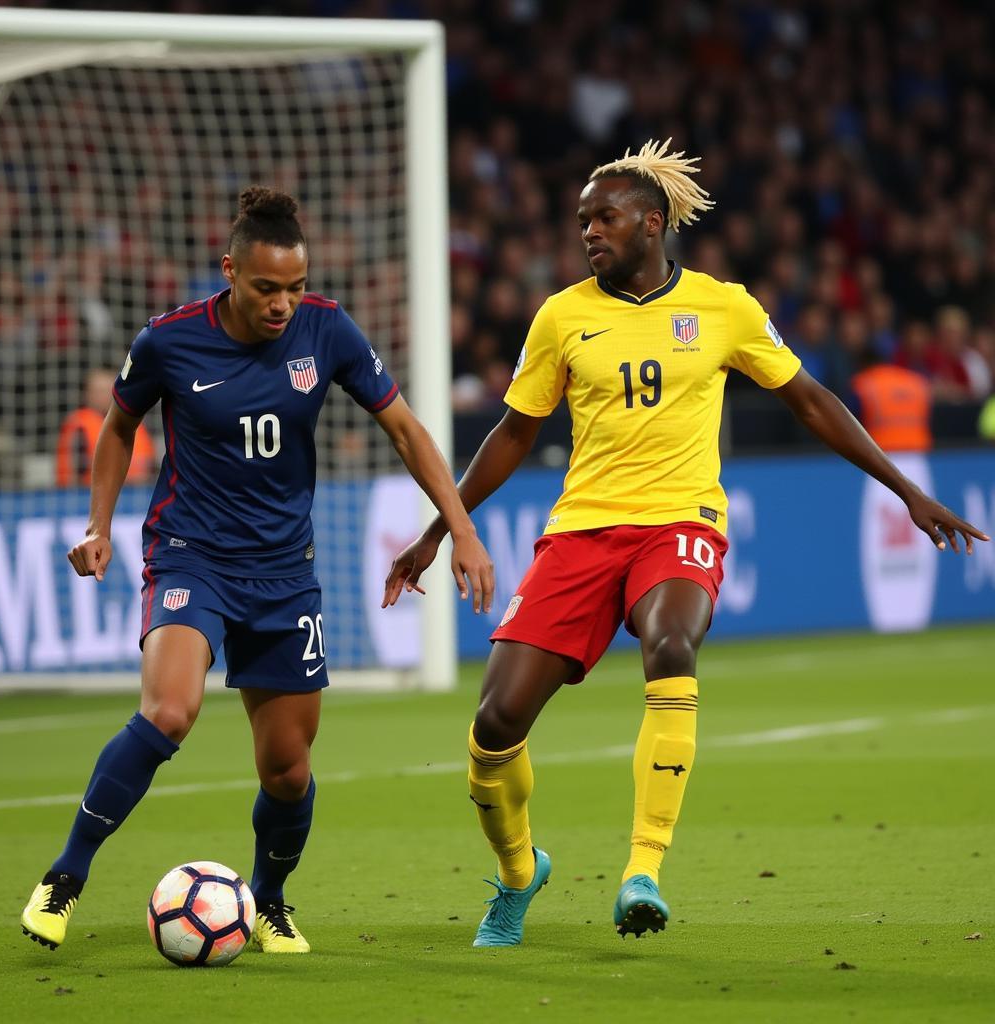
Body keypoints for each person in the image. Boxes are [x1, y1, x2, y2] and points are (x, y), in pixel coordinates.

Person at [384, 140, 989, 947]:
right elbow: (513, 433)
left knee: (671, 643)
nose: (589, 232)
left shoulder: (723, 307)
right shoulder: (562, 315)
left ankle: (643, 871)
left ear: (653, 222)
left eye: (605, 217)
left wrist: (907, 489)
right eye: (581, 221)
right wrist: (439, 529)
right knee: (495, 724)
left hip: (681, 522)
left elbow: (810, 401)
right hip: (580, 533)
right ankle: (522, 872)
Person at [21, 186, 494, 955]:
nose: (283, 304)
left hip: (284, 575)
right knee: (170, 711)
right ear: (230, 272)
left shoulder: (327, 330)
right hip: (191, 555)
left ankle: (267, 901)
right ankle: (64, 878)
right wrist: (97, 525)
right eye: (267, 288)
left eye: (296, 287)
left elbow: (405, 429)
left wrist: (460, 532)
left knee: (287, 770)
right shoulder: (170, 340)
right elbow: (117, 427)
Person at [55, 367, 156, 487]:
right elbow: (71, 473)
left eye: (105, 390)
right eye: (97, 391)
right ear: (87, 394)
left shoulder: (137, 422)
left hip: (137, 493)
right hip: (88, 494)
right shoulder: (80, 426)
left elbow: (152, 466)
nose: (102, 396)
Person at [849, 346, 932, 452]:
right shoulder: (915, 381)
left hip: (882, 452)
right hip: (917, 452)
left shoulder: (865, 383)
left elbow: (849, 417)